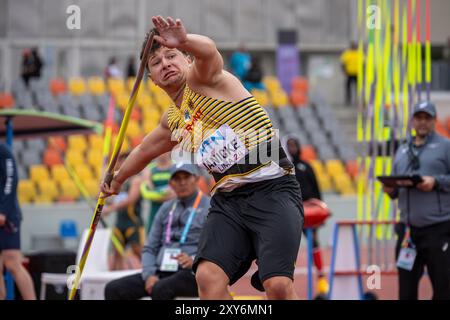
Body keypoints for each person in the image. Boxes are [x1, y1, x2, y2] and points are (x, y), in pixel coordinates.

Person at [101, 16, 303, 300]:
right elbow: (144, 151)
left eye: (171, 56)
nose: (165, 64)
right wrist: (117, 179)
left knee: (278, 286)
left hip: (273, 189)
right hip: (228, 201)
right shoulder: (172, 121)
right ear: (153, 80)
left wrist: (184, 40)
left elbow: (208, 50)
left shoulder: (203, 78)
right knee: (207, 278)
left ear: (186, 59)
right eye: (156, 63)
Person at [104, 164, 210, 300]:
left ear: (196, 179)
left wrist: (195, 260)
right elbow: (149, 247)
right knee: (114, 289)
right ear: (170, 183)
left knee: (161, 288)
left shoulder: (209, 207)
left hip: (192, 272)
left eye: (186, 177)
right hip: (162, 270)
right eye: (177, 179)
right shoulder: (165, 208)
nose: (182, 182)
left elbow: (217, 247)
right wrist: (149, 275)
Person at [383, 101, 450, 300]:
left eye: (427, 118)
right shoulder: (402, 150)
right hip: (407, 232)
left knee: (443, 289)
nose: (422, 122)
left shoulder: (446, 146)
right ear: (412, 121)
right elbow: (396, 189)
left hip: (438, 229)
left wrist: (435, 181)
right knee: (406, 290)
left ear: (434, 121)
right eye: (418, 118)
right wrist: (390, 189)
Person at [284, 135, 329, 296]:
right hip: (293, 211)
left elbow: (317, 189)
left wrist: (319, 210)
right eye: (289, 146)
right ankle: (286, 279)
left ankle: (321, 278)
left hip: (310, 212)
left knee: (314, 242)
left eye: (294, 145)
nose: (292, 149)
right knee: (289, 244)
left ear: (299, 147)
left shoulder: (306, 166)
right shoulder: (284, 168)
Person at [0, 143, 36, 300]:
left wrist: (3, 211)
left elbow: (11, 180)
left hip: (7, 216)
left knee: (12, 262)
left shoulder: (3, 151)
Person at [102, 152, 144, 270]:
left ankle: (149, 275)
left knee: (138, 252)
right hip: (119, 224)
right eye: (121, 161)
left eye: (126, 161)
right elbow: (107, 198)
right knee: (116, 254)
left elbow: (131, 199)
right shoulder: (116, 181)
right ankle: (116, 279)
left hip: (133, 223)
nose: (122, 164)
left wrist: (111, 209)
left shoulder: (136, 180)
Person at [140, 152, 176, 234]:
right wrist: (166, 193)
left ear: (169, 151)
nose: (162, 153)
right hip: (155, 211)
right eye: (160, 151)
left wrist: (156, 192)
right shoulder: (149, 170)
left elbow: (177, 193)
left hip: (173, 210)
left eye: (164, 151)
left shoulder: (176, 166)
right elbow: (147, 194)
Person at [340, 42, 361, 106]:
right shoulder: (347, 54)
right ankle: (348, 101)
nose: (354, 47)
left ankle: (358, 100)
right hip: (349, 73)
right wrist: (344, 70)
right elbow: (343, 63)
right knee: (348, 88)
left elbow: (364, 63)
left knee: (358, 88)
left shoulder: (359, 53)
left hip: (357, 73)